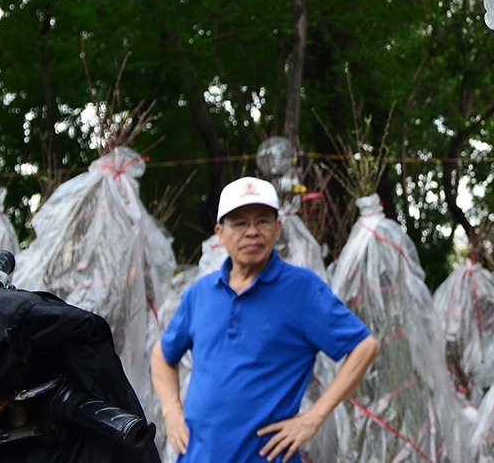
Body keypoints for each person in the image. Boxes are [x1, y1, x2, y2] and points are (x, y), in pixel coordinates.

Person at [153, 176, 381, 463]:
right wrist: (172, 411)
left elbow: (365, 347)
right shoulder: (200, 294)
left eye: (262, 221)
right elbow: (162, 355)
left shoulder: (303, 291)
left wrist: (314, 417)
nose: (252, 232)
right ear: (219, 233)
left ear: (277, 229)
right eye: (239, 223)